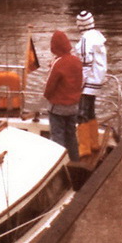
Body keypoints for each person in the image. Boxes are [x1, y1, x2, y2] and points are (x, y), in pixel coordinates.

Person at [44, 30, 83, 162]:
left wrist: (47, 97)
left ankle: (59, 164)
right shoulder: (77, 61)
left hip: (58, 107)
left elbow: (49, 86)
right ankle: (74, 159)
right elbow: (81, 82)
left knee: (57, 137)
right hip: (73, 106)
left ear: (54, 47)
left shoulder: (58, 63)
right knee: (71, 135)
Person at [74, 10, 107, 158]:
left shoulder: (85, 41)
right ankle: (94, 143)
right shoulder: (98, 37)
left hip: (88, 82)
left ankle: (84, 147)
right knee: (90, 112)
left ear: (80, 25)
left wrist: (79, 84)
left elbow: (85, 65)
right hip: (97, 80)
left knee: (81, 114)